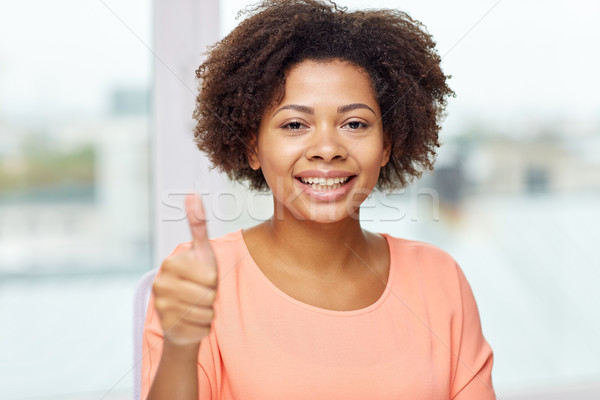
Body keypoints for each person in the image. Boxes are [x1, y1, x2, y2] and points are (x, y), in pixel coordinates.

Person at [142, 0, 495, 399]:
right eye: (295, 124)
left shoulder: (439, 278)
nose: (327, 148)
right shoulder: (201, 279)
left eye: (354, 123)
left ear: (386, 145)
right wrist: (181, 346)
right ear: (252, 147)